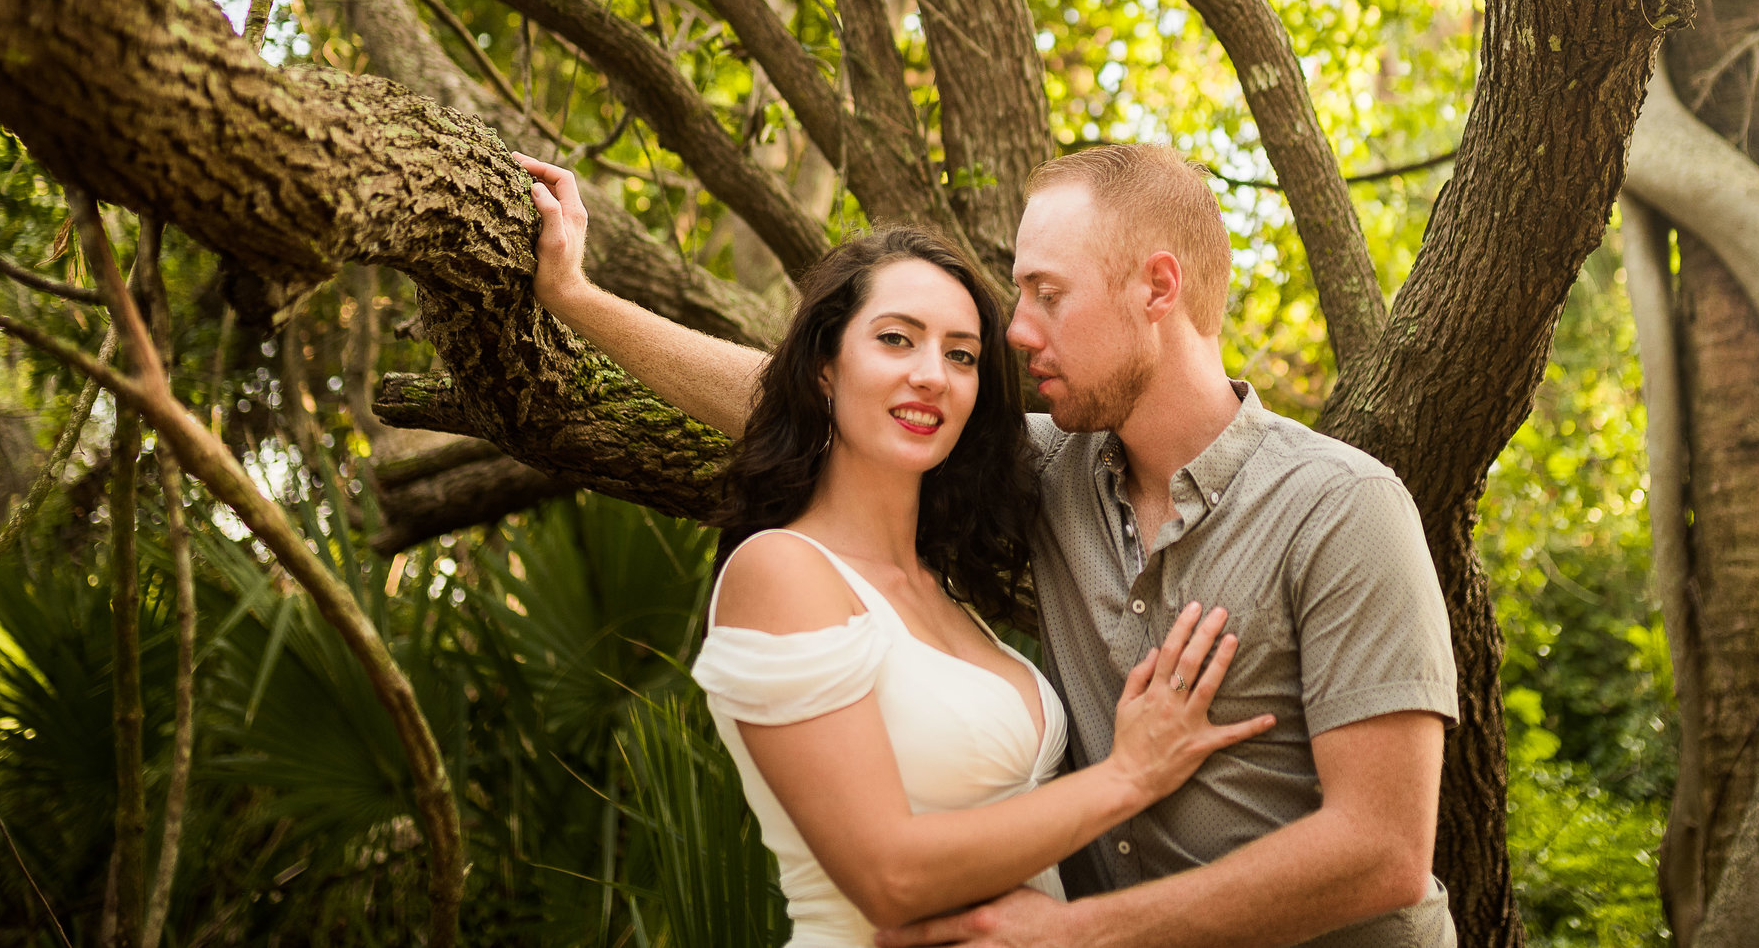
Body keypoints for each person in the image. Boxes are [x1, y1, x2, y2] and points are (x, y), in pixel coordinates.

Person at [522, 143, 1460, 948]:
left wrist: (1074, 933)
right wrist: (577, 298)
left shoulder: (1341, 508)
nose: (1016, 330)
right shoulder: (1057, 473)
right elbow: (819, 398)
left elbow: (1381, 851)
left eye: (1047, 293)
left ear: (1157, 288)